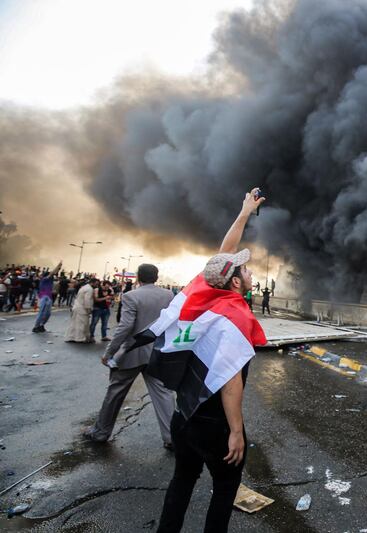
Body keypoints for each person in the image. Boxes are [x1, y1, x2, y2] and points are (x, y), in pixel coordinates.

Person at [156, 188, 266, 533]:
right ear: (235, 282)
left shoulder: (201, 297)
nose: (251, 275)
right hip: (213, 423)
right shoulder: (235, 315)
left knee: (182, 482)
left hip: (183, 414)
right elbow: (230, 379)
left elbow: (223, 255)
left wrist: (245, 212)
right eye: (246, 272)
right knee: (224, 490)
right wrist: (236, 432)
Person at [83, 264, 176, 447]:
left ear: (138, 278)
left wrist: (109, 352)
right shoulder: (168, 295)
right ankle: (172, 438)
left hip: (131, 354)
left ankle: (101, 433)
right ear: (156, 278)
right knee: (164, 395)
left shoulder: (131, 296)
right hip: (157, 353)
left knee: (115, 393)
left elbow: (124, 327)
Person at [65, 278, 98, 343]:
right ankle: (80, 338)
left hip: (77, 307)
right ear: (93, 283)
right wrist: (89, 309)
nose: (96, 285)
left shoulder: (84, 287)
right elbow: (87, 300)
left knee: (74, 324)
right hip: (82, 309)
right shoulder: (89, 289)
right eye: (96, 284)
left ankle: (71, 337)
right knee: (82, 324)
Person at [33, 261, 62, 332]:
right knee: (42, 312)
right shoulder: (44, 279)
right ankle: (36, 327)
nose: (53, 276)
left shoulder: (50, 281)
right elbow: (52, 273)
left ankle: (41, 325)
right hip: (43, 297)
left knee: (48, 313)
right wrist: (58, 266)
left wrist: (59, 268)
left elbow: (54, 273)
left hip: (49, 297)